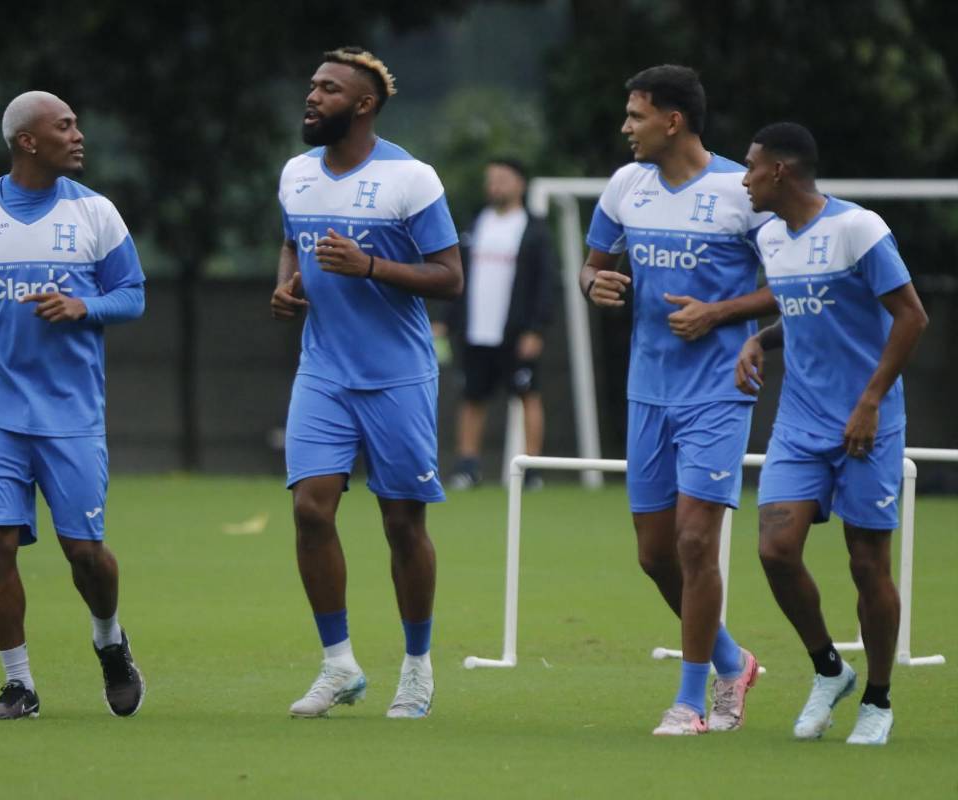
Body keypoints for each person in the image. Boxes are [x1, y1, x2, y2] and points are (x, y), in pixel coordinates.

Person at [0, 91, 147, 720]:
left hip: (71, 410)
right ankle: (19, 684)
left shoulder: (96, 213)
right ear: (27, 141)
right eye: (65, 126)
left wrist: (85, 306)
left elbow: (132, 295)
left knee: (84, 552)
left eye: (77, 123)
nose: (79, 135)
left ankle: (109, 640)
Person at [581, 65, 775, 735]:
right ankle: (733, 659)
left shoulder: (739, 190)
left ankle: (692, 702)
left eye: (635, 116)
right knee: (655, 555)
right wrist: (595, 285)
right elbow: (595, 262)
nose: (625, 128)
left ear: (673, 121)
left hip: (719, 392)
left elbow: (794, 282)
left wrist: (720, 313)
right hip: (648, 391)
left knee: (697, 542)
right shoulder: (625, 184)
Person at [271, 47, 463, 719]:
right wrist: (285, 283)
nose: (312, 97)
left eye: (328, 89)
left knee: (403, 525)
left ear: (364, 105)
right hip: (322, 369)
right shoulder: (296, 173)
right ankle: (338, 665)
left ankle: (416, 668)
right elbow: (292, 239)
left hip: (397, 377)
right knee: (309, 509)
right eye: (312, 85)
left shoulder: (411, 178)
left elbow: (450, 277)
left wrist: (372, 266)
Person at [736, 122, 928, 745]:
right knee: (774, 550)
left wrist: (871, 401)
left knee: (867, 565)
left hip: (867, 423)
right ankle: (828, 669)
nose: (745, 179)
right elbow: (805, 313)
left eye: (752, 167)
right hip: (800, 421)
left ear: (782, 172)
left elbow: (911, 316)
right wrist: (759, 340)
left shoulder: (857, 228)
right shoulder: (770, 236)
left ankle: (877, 699)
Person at [440, 158, 555, 491]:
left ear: (519, 183)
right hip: (476, 331)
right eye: (491, 179)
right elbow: (457, 276)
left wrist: (536, 328)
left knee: (527, 395)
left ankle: (532, 469)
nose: (495, 186)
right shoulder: (476, 224)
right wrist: (448, 321)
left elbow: (544, 283)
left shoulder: (533, 230)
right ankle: (467, 467)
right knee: (472, 396)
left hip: (516, 332)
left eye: (502, 179)